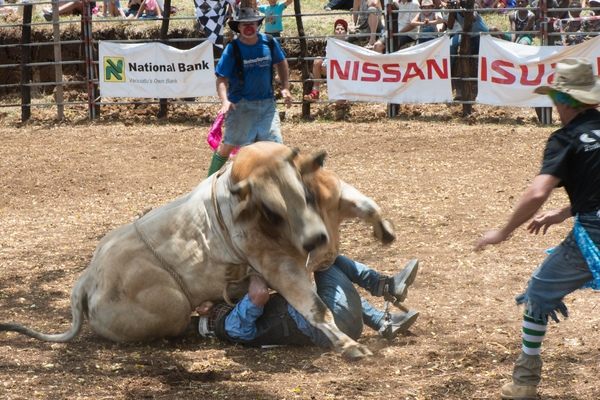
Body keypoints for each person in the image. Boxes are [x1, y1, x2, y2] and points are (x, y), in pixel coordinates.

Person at [475, 57, 600, 400]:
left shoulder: (566, 138)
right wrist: (564, 212)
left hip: (595, 233)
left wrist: (503, 232)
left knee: (539, 293)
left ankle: (524, 381)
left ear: (563, 100)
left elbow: (536, 192)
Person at [196, 256, 421, 345]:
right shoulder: (231, 325)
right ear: (212, 320)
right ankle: (385, 285)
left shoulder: (234, 328)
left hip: (339, 329)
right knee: (323, 258)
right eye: (214, 311)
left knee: (316, 292)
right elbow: (260, 294)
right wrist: (251, 266)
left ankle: (383, 322)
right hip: (336, 323)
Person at [206, 8, 292, 177]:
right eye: (245, 25)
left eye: (252, 24)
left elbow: (282, 62)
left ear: (258, 25)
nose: (249, 28)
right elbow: (221, 78)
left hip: (267, 104)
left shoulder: (269, 42)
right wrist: (225, 101)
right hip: (240, 105)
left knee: (276, 147)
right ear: (238, 27)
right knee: (229, 146)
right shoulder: (232, 49)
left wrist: (285, 87)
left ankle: (278, 183)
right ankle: (207, 182)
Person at [303, 19, 349, 102]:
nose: (339, 31)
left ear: (345, 33)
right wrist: (326, 65)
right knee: (317, 60)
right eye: (337, 29)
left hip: (340, 70)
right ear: (334, 32)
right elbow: (329, 56)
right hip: (331, 67)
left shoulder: (348, 46)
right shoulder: (330, 43)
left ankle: (341, 93)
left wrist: (331, 68)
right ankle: (315, 91)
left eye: (342, 29)